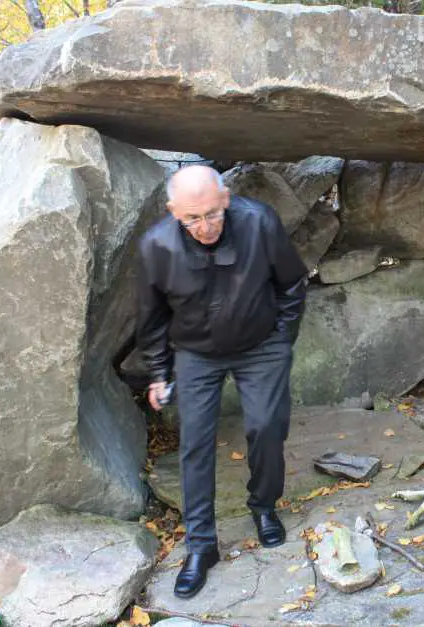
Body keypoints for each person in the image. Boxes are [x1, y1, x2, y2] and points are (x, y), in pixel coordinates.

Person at [136, 165, 308, 599]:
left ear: (226, 199)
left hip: (261, 344)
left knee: (266, 427)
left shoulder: (259, 222)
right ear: (173, 212)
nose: (205, 226)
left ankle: (264, 507)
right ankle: (200, 546)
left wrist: (282, 340)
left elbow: (292, 283)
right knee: (194, 443)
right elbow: (151, 318)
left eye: (212, 213)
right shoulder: (157, 246)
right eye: (192, 218)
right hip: (196, 353)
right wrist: (159, 372)